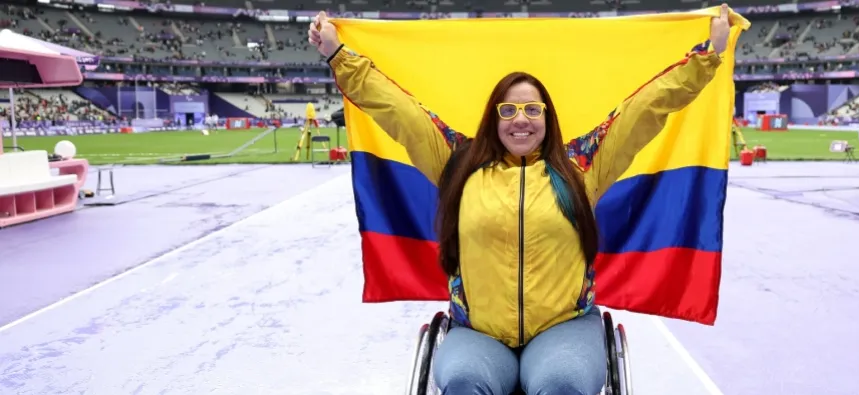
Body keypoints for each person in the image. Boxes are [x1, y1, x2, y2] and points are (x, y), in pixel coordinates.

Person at [308, 6, 734, 394]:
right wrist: (337, 55)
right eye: (508, 111)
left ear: (548, 117)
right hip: (479, 332)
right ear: (493, 118)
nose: (521, 120)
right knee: (460, 382)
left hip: (563, 329)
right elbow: (397, 110)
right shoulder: (458, 164)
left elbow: (647, 109)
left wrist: (707, 56)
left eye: (532, 110)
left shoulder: (582, 167)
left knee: (562, 384)